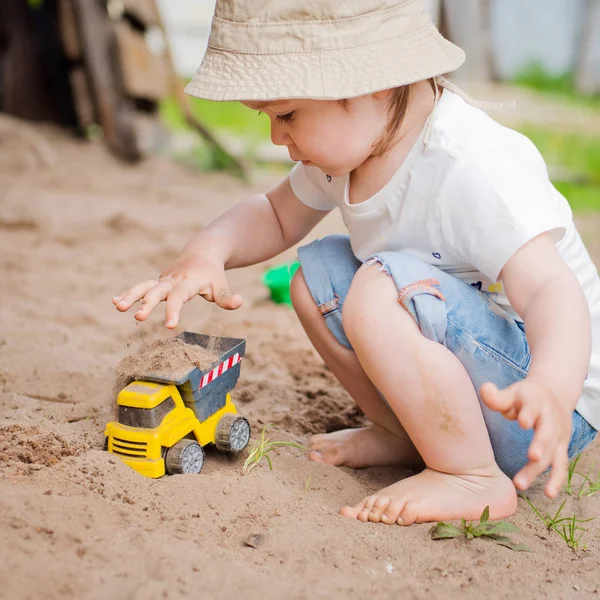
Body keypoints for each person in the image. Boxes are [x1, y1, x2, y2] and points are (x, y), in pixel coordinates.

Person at [113, 0, 599, 525]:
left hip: (537, 405)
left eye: (288, 114)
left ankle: (471, 477)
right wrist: (206, 253)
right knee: (312, 281)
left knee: (376, 286)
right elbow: (276, 215)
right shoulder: (357, 147)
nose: (278, 137)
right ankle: (408, 433)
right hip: (479, 389)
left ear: (376, 84)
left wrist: (550, 386)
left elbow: (553, 289)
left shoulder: (471, 166)